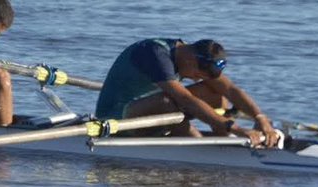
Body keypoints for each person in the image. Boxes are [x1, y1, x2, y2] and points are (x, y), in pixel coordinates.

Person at [94, 38, 281, 148]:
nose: (194, 80)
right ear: (191, 60)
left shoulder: (189, 56)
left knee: (217, 95)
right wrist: (235, 127)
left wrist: (260, 118)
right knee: (168, 101)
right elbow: (185, 98)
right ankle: (201, 144)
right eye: (196, 75)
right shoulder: (155, 54)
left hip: (152, 112)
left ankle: (226, 144)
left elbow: (231, 89)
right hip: (118, 119)